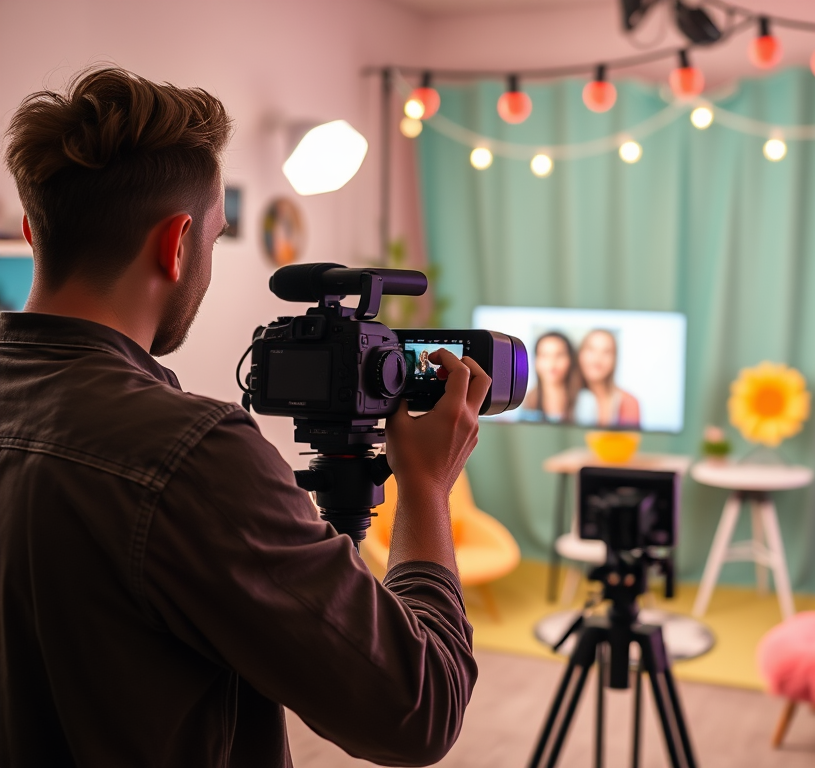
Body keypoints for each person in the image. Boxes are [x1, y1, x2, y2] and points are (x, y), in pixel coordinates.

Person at [0, 68, 486, 768]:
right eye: (215, 239)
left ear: (34, 230)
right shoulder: (186, 455)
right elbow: (420, 710)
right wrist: (427, 488)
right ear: (176, 244)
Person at [574, 329, 641, 428]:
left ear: (615, 359)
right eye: (591, 350)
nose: (597, 358)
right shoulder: (568, 397)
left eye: (607, 352)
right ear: (580, 354)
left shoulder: (629, 402)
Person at [521, 331, 581, 423]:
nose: (551, 363)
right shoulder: (526, 402)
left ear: (570, 360)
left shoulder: (584, 401)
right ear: (535, 361)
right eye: (544, 355)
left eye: (559, 355)